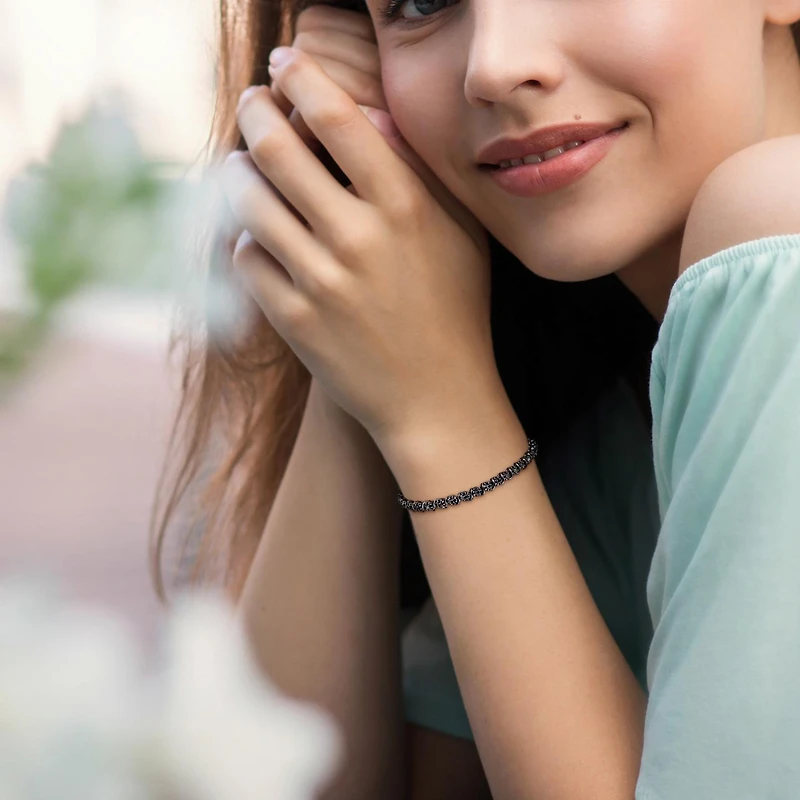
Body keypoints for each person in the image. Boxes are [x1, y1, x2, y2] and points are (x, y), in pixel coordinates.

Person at [150, 0, 800, 797]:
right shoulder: (611, 429)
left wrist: (437, 414)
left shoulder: (781, 223)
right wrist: (365, 319)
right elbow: (272, 776)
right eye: (422, 2)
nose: (494, 63)